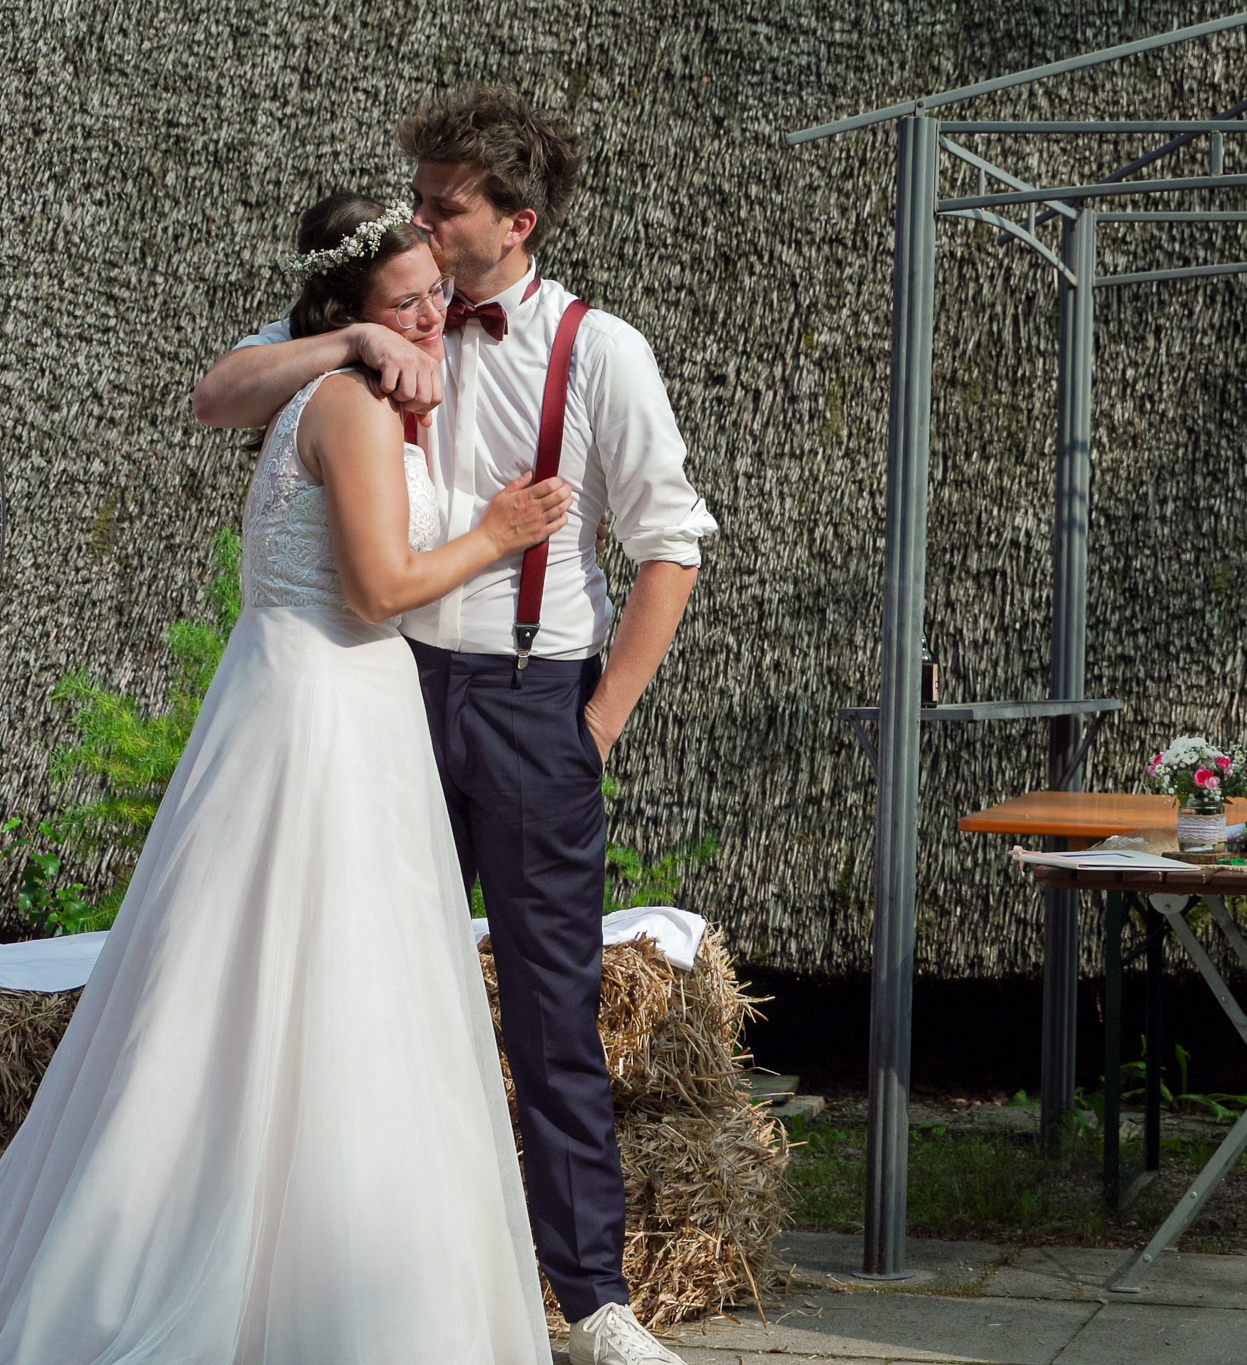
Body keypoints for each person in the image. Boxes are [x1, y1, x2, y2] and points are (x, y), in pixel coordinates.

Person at [0, 194, 572, 1362]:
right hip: (327, 705)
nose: (430, 312)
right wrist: (499, 532)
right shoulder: (352, 402)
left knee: (253, 969)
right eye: (402, 300)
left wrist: (379, 341)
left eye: (432, 293)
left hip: (287, 695)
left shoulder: (315, 379)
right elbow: (376, 593)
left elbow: (231, 396)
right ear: (346, 308)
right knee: (334, 975)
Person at [194, 88, 715, 1365]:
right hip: (388, 695)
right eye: (417, 202)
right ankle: (362, 1277)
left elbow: (671, 546)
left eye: (444, 206)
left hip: (536, 703)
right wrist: (345, 347)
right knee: (375, 992)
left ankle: (590, 1303)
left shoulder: (603, 352)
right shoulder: (389, 298)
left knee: (551, 1014)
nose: (417, 220)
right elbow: (222, 389)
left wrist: (594, 726)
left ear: (516, 224)